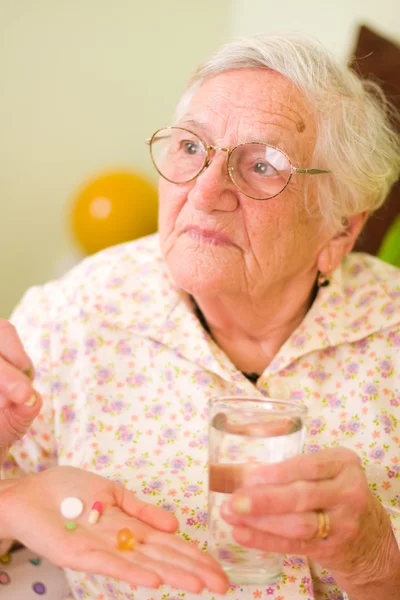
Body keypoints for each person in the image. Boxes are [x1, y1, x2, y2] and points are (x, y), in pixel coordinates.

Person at [1, 32, 400, 600]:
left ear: (341, 229)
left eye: (264, 164)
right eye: (190, 147)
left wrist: (376, 562)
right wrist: (7, 500)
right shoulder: (73, 316)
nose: (207, 190)